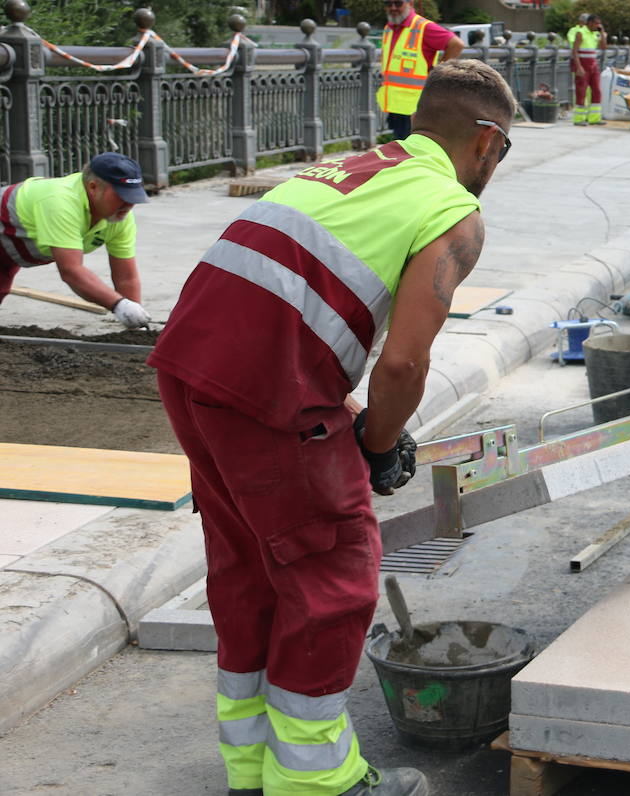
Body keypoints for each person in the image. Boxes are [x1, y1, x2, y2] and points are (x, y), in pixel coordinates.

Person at [149, 59, 516, 796]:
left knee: (250, 569)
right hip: (262, 392)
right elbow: (404, 367)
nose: (496, 168)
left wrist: (345, 412)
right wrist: (377, 446)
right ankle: (320, 782)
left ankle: (252, 770)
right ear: (484, 140)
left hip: (191, 370)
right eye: (503, 152)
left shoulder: (345, 170)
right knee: (332, 574)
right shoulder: (452, 210)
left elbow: (285, 301)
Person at [0, 151, 152, 328]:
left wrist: (135, 321)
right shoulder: (60, 201)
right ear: (93, 187)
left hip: (9, 253)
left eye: (133, 197)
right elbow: (71, 271)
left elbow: (126, 277)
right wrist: (119, 305)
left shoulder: (119, 217)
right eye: (121, 196)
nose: (129, 204)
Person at [375, 0, 464, 140]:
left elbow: (456, 45)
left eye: (398, 3)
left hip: (417, 108)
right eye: (388, 3)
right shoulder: (389, 28)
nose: (393, 7)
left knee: (412, 155)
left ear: (410, 3)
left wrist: (438, 73)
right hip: (396, 106)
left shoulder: (423, 27)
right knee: (401, 153)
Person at [566, 13, 607, 125]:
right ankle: (579, 119)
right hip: (583, 66)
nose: (598, 25)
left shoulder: (595, 34)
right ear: (590, 23)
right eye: (596, 23)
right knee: (581, 91)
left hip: (593, 66)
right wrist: (578, 67)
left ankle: (594, 118)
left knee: (597, 90)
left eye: (599, 23)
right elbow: (575, 51)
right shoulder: (581, 33)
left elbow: (603, 47)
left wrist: (602, 33)